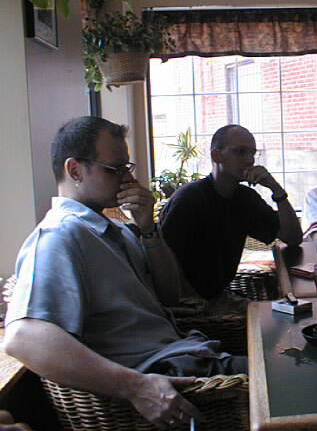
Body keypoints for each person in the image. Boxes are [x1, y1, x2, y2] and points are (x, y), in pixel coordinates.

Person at [4, 117, 246, 429]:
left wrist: (148, 228)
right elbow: (22, 338)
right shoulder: (60, 236)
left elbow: (171, 295)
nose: (128, 178)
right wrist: (136, 387)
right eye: (114, 169)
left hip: (188, 353)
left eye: (126, 167)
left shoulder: (114, 231)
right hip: (167, 374)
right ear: (75, 170)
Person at [160, 124, 302, 300]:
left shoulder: (245, 198)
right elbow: (164, 263)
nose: (250, 160)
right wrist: (203, 305)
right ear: (216, 155)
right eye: (240, 152)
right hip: (186, 303)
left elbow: (293, 238)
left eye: (253, 153)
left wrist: (277, 190)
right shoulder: (189, 199)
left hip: (219, 296)